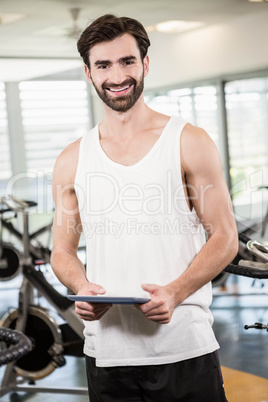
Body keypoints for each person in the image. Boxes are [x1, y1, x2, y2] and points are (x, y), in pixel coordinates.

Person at [51, 14, 238, 402]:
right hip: (107, 353)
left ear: (145, 63)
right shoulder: (72, 159)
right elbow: (62, 251)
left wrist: (175, 291)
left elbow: (225, 237)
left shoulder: (189, 141)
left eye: (127, 61)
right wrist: (81, 286)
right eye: (103, 65)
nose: (116, 75)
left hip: (184, 347)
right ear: (89, 73)